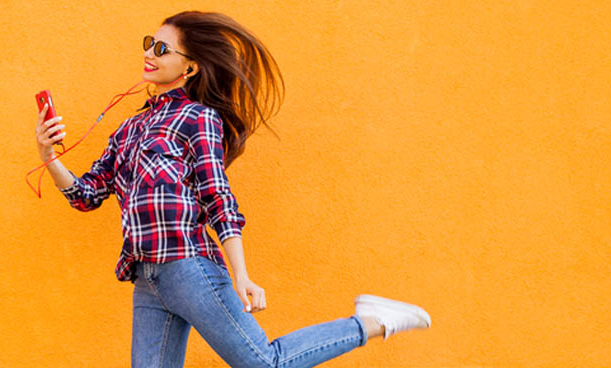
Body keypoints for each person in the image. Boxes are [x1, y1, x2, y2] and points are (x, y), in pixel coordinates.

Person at [33, 11, 431, 367]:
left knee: (265, 363)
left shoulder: (197, 118)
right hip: (146, 277)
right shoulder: (128, 130)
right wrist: (49, 156)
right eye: (148, 44)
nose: (149, 53)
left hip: (188, 267)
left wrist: (241, 274)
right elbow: (86, 195)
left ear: (189, 68)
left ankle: (369, 322)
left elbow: (218, 198)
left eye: (161, 48)